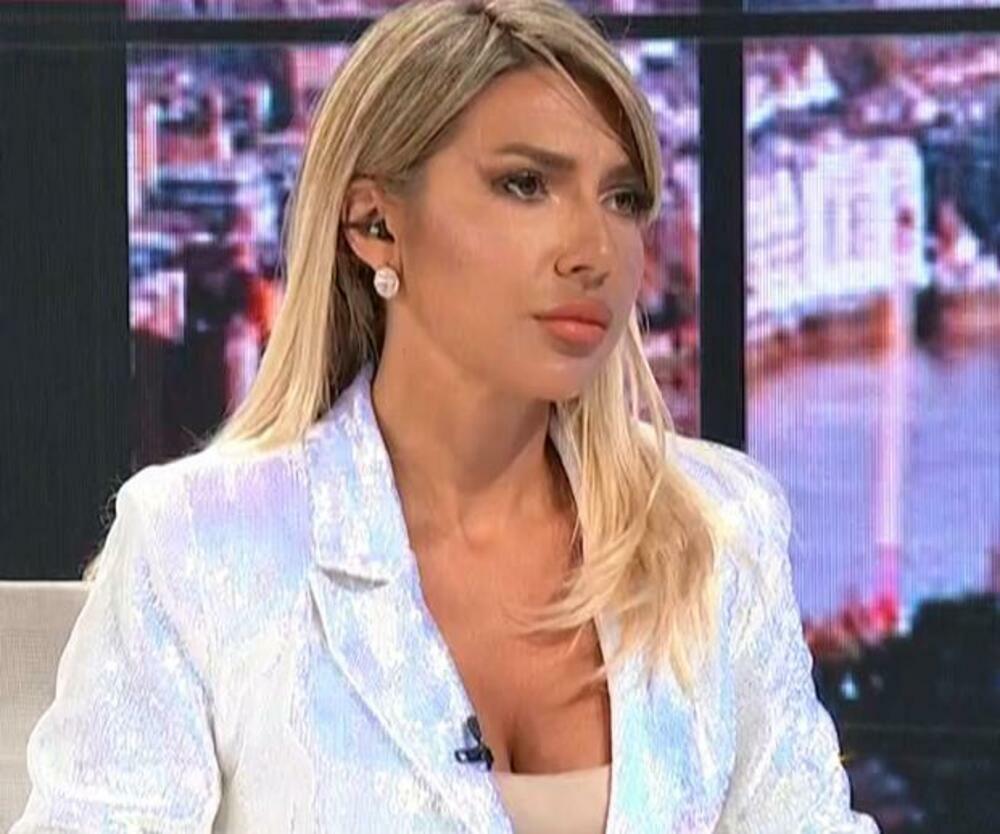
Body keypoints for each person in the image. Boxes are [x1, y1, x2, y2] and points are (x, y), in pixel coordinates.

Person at [10, 1, 881, 832]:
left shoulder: (714, 528)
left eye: (622, 199)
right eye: (526, 184)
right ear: (374, 225)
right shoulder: (202, 546)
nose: (594, 252)